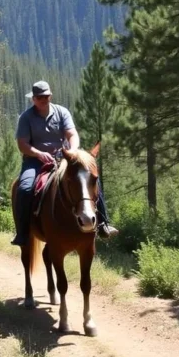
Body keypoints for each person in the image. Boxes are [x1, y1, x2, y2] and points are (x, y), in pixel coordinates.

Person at [11, 80, 120, 246]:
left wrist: (74, 150)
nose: (43, 99)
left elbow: (72, 134)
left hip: (63, 158)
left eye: (46, 96)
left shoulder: (61, 112)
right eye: (39, 97)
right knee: (25, 188)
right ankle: (23, 232)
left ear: (50, 96)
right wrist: (39, 154)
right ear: (33, 99)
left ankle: (103, 223)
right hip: (34, 160)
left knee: (89, 180)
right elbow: (22, 144)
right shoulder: (26, 117)